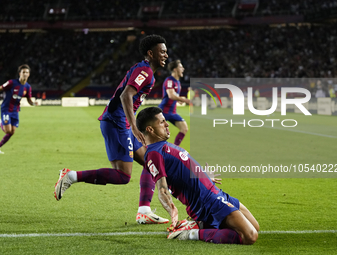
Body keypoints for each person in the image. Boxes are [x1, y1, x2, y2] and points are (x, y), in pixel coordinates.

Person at [54, 34, 170, 224]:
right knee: (123, 175)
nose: (166, 55)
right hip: (117, 122)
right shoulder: (145, 71)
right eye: (162, 51)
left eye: (166, 51)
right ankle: (71, 176)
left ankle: (144, 211)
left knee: (151, 162)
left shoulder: (146, 70)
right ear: (151, 53)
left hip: (121, 122)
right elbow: (126, 95)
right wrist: (134, 126)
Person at [136, 107, 259, 244]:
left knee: (255, 227)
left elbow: (180, 169)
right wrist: (172, 210)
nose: (167, 124)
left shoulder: (162, 146)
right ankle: (191, 233)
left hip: (215, 192)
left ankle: (200, 225)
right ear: (150, 129)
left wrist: (203, 176)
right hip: (206, 201)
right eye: (162, 122)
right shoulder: (154, 153)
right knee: (249, 236)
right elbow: (162, 189)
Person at [0, 64, 34, 154]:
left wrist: (33, 103)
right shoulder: (11, 83)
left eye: (27, 72)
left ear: (29, 74)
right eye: (23, 72)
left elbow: (29, 99)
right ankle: (1, 122)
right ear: (20, 73)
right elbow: (1, 87)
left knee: (12, 132)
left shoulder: (27, 87)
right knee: (7, 130)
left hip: (15, 111)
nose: (25, 74)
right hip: (6, 109)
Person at [158, 60, 190, 146]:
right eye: (181, 67)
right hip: (164, 111)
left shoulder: (178, 82)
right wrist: (186, 100)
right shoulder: (169, 80)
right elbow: (171, 95)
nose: (183, 69)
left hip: (172, 112)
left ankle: (175, 149)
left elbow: (174, 96)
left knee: (184, 128)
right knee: (158, 135)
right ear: (175, 69)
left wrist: (179, 99)